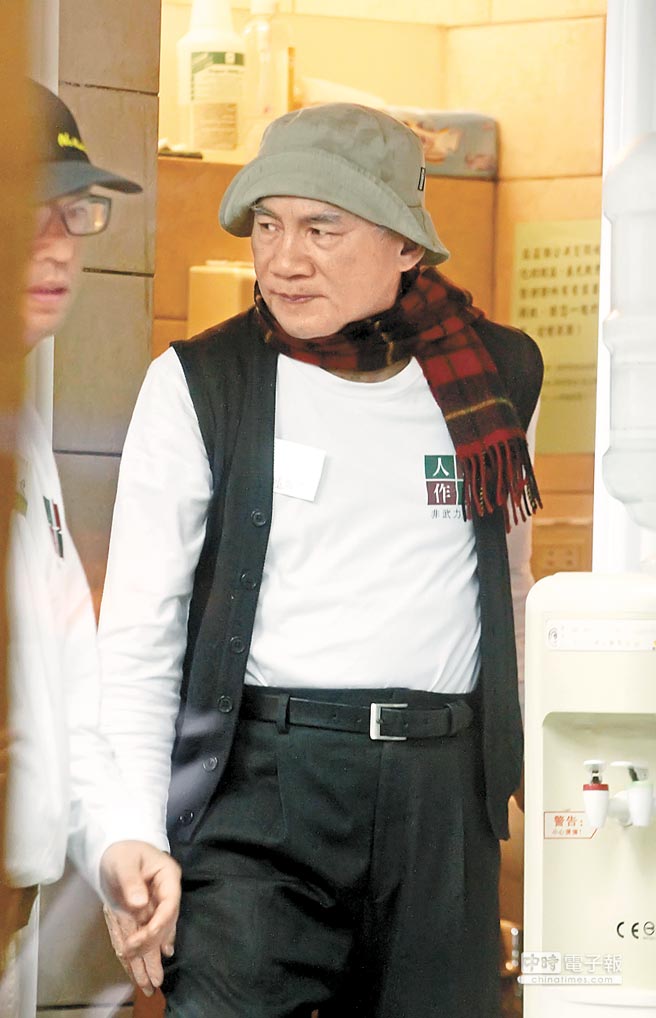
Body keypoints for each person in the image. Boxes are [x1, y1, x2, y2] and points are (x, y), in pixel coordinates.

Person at [98, 103, 543, 1017]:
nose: (284, 260)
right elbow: (142, 629)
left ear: (406, 245)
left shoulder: (496, 375)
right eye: (267, 226)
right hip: (261, 791)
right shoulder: (202, 381)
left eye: (321, 229)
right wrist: (131, 827)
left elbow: (510, 588)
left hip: (442, 800)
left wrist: (545, 772)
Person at [0, 80, 181, 1018]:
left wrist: (114, 841)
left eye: (75, 211)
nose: (59, 243)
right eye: (28, 209)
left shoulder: (21, 427)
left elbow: (64, 683)